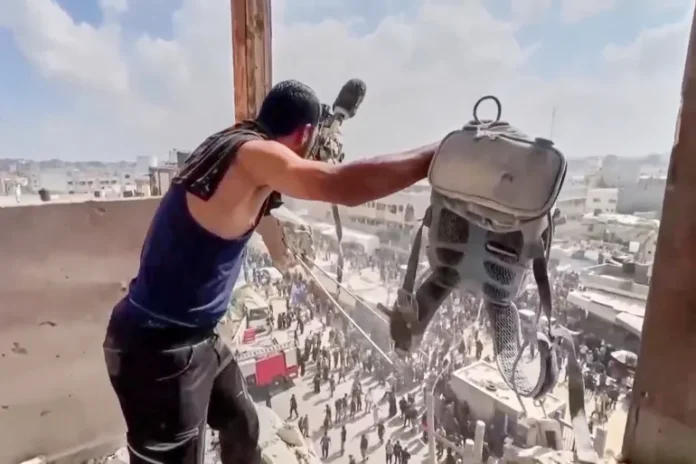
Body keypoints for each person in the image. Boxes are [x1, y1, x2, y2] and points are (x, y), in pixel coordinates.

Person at [103, 79, 438, 464]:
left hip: (192, 337)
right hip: (157, 349)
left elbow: (263, 199)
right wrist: (436, 155)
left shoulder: (230, 146)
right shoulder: (254, 155)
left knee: (242, 424)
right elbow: (341, 184)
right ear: (304, 134)